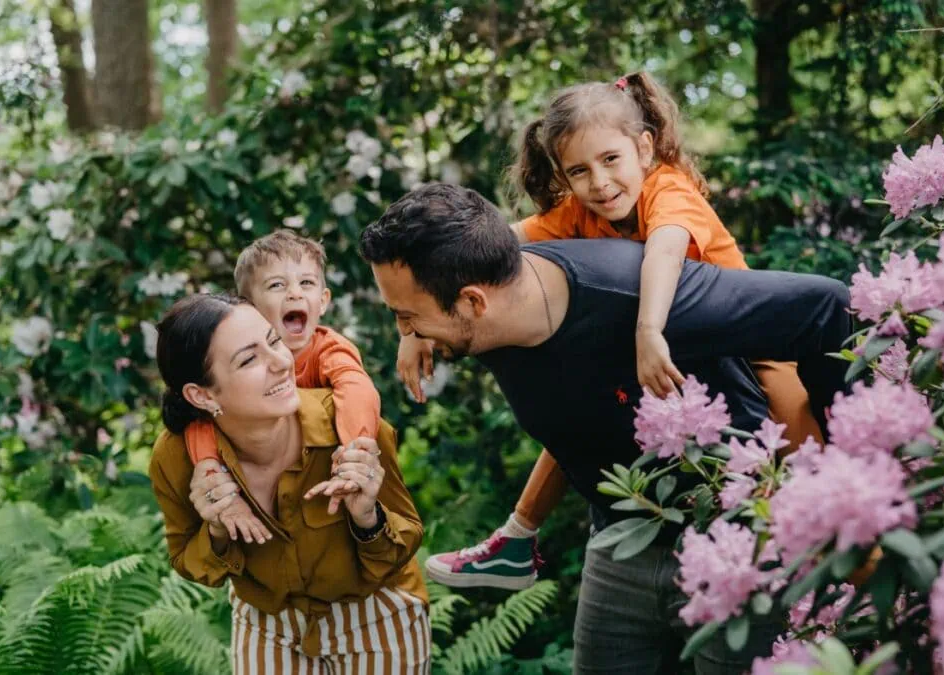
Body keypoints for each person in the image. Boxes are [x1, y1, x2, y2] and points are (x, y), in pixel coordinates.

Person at [360, 183, 851, 672]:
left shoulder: (634, 293)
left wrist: (850, 464)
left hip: (733, 545)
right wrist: (417, 327)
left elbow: (824, 307)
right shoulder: (481, 306)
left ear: (473, 303)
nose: (406, 332)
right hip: (619, 543)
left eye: (406, 317)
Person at [401, 72, 822, 591]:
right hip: (673, 356)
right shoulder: (579, 211)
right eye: (579, 171)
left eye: (610, 160)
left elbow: (665, 248)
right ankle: (517, 536)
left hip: (751, 347)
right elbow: (487, 253)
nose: (599, 182)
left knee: (799, 450)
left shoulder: (669, 188)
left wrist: (649, 330)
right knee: (577, 407)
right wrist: (417, 323)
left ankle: (835, 546)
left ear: (644, 148)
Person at [149, 294, 429, 674]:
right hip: (267, 622)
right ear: (202, 395)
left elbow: (403, 544)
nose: (282, 363)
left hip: (375, 609)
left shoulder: (351, 429)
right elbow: (190, 561)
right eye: (249, 359)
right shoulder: (176, 458)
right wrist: (216, 528)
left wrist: (368, 517)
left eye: (274, 341)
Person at [181, 230, 383, 544]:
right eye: (277, 285)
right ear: (247, 307)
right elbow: (201, 417)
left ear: (324, 301)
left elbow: (357, 389)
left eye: (307, 283)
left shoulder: (329, 350)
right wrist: (209, 469)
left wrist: (355, 449)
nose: (294, 294)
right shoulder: (229, 368)